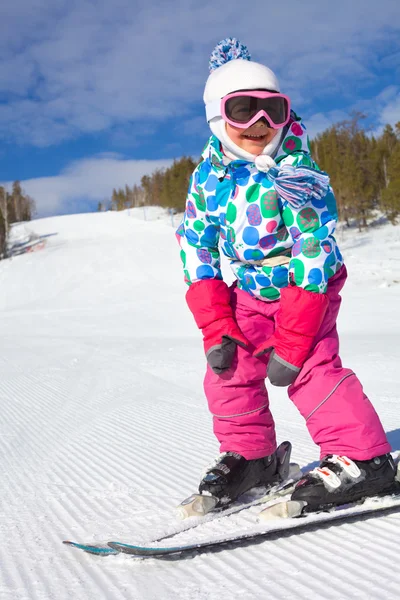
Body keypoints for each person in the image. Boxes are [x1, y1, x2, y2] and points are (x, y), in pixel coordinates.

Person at [176, 38, 396, 512]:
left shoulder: (296, 173)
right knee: (228, 367)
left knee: (310, 370)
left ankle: (366, 459)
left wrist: (294, 340)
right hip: (251, 288)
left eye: (273, 110)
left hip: (306, 285)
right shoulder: (207, 179)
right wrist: (216, 324)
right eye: (243, 109)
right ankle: (253, 456)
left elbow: (314, 247)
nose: (259, 124)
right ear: (217, 117)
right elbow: (197, 243)